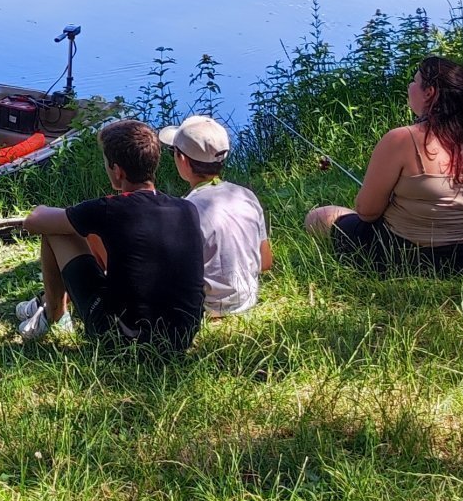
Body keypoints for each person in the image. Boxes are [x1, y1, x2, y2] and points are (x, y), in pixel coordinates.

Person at [16, 118, 207, 350]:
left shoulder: (110, 209)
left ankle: (54, 314)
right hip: (181, 338)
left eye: (106, 163)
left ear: (118, 171)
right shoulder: (187, 209)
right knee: (90, 232)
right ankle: (48, 307)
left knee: (55, 230)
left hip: (124, 340)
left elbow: (33, 222)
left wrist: (46, 210)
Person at [305, 57, 463, 275]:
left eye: (414, 81)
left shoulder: (401, 139)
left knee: (319, 216)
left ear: (429, 93)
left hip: (409, 258)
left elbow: (367, 212)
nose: (410, 86)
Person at [158, 115, 272, 317]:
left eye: (173, 151)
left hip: (205, 308)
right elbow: (265, 262)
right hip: (247, 299)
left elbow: (174, 274)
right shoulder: (246, 195)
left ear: (182, 160)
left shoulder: (185, 210)